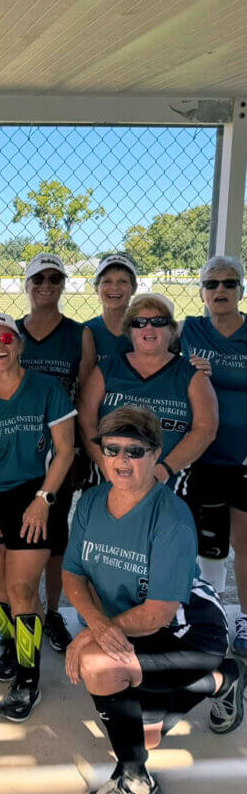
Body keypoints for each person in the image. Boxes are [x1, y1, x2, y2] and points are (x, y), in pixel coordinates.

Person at [63, 407, 243, 794]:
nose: (121, 460)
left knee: (99, 665)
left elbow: (159, 614)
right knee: (143, 726)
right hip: (133, 623)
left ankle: (136, 784)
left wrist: (93, 634)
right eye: (112, 449)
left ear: (155, 454)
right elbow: (72, 573)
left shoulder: (171, 517)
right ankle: (225, 680)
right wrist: (97, 625)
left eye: (134, 451)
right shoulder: (91, 501)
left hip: (190, 633)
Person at [0, 312, 76, 720]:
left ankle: (28, 679)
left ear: (20, 345)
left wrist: (43, 500)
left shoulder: (46, 388)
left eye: (7, 338)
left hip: (34, 496)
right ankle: (13, 645)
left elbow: (66, 450)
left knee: (21, 588)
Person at [17, 253, 97, 653]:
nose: (46, 285)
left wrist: (80, 448)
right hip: (16, 449)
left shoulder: (79, 334)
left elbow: (84, 396)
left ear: (63, 285)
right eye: (39, 278)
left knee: (54, 535)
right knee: (17, 535)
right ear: (27, 285)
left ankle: (51, 611)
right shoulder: (12, 332)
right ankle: (19, 611)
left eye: (54, 278)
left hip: (60, 452)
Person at [79, 292, 217, 505]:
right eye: (139, 322)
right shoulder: (107, 369)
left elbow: (206, 428)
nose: (149, 328)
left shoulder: (192, 374)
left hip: (167, 485)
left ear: (172, 329)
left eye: (158, 321)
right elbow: (85, 420)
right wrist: (107, 467)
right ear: (129, 330)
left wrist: (163, 471)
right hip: (108, 483)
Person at [180, 256, 247, 652]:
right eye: (211, 284)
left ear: (241, 289)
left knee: (245, 539)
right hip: (202, 454)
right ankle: (212, 616)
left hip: (243, 457)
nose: (220, 290)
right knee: (207, 541)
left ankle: (246, 619)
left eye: (229, 283)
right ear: (202, 291)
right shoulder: (189, 330)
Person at [84, 253, 136, 363]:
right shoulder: (84, 332)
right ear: (96, 288)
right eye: (107, 281)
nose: (114, 287)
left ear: (133, 288)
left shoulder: (146, 331)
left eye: (122, 281)